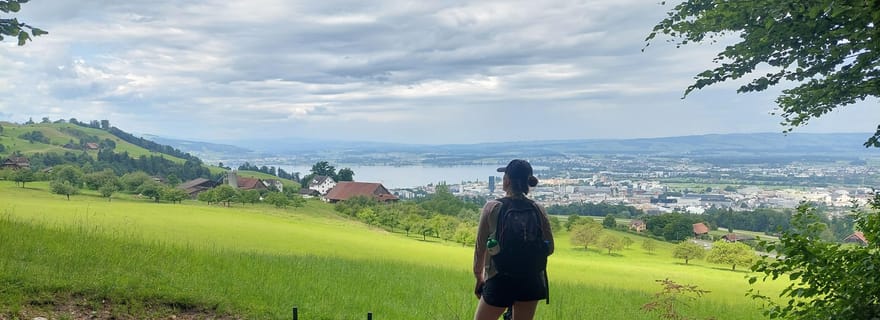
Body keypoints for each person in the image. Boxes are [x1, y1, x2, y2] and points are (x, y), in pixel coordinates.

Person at [473, 159, 554, 320]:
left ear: (507, 181)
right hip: (531, 281)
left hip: (499, 280)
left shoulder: (492, 208)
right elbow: (550, 248)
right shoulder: (538, 209)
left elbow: (480, 247)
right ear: (527, 183)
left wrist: (479, 277)